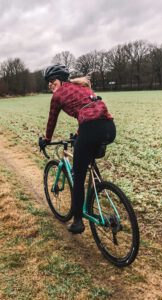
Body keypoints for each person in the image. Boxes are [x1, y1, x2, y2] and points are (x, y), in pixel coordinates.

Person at [39, 64, 116, 234]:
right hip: (109, 128)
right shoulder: (81, 86)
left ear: (61, 79)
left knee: (78, 177)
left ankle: (78, 222)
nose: (50, 84)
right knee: (87, 157)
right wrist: (80, 134)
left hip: (91, 129)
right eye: (48, 83)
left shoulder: (58, 95)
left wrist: (46, 140)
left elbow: (52, 120)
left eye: (52, 80)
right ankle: (99, 188)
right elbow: (89, 110)